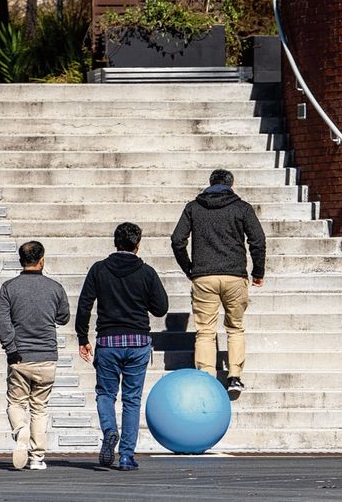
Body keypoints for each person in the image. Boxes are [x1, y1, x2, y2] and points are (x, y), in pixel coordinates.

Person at [76, 223, 169, 471]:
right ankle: (126, 455)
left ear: (115, 242)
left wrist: (82, 337)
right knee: (132, 400)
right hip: (138, 342)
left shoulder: (99, 269)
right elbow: (161, 308)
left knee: (105, 394)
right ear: (138, 244)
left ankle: (109, 431)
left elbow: (85, 304)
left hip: (108, 341)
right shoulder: (146, 272)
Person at [170, 168, 266, 400]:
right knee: (235, 327)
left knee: (205, 331)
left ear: (209, 184)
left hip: (203, 276)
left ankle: (206, 376)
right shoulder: (241, 207)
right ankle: (234, 376)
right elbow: (258, 241)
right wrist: (258, 272)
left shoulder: (193, 207)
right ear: (231, 185)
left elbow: (177, 240)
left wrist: (189, 268)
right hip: (234, 276)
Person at [0, 240, 70, 471]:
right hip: (47, 356)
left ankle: (20, 430)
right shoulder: (55, 287)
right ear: (42, 260)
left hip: (20, 356)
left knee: (16, 402)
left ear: (21, 260)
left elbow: (4, 323)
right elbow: (63, 317)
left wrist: (11, 349)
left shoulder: (8, 288)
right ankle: (37, 457)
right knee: (40, 407)